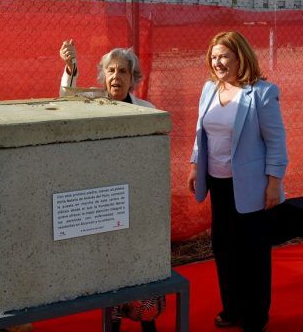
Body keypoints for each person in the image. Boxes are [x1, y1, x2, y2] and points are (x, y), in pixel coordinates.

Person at [59, 40, 163, 332]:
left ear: (133, 78)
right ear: (103, 75)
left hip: (137, 201)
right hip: (104, 202)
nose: (116, 77)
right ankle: (113, 323)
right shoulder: (92, 105)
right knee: (109, 265)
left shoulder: (147, 110)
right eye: (110, 71)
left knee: (140, 263)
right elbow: (66, 98)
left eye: (123, 72)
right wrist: (69, 67)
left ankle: (146, 321)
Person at [187, 31, 288, 332]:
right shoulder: (208, 90)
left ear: (239, 57)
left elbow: (277, 142)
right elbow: (200, 134)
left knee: (253, 255)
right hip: (217, 184)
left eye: (224, 56)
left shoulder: (262, 93)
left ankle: (255, 317)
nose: (217, 62)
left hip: (252, 188)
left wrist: (274, 183)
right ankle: (232, 309)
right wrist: (194, 166)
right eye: (214, 56)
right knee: (223, 249)